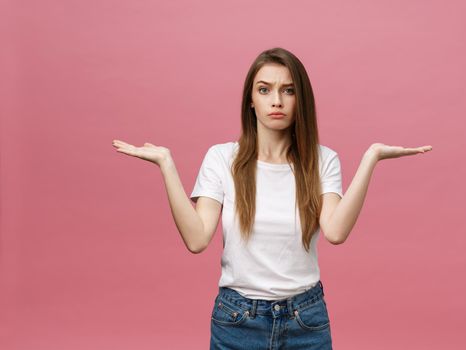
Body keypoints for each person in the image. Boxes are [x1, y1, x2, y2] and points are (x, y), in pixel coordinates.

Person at [111, 47, 432, 349]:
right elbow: (196, 239)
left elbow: (335, 232)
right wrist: (167, 165)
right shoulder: (222, 159)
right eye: (264, 89)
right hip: (237, 320)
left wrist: (371, 158)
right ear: (250, 100)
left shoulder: (323, 161)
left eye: (288, 90)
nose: (276, 100)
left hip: (305, 319)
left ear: (300, 99)